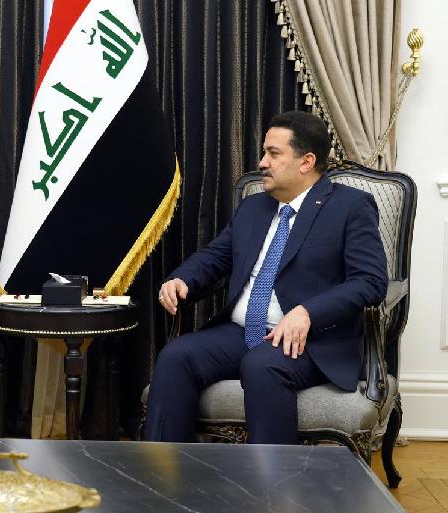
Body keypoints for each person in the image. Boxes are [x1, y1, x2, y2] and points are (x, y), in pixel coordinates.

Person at [145, 111, 388, 444]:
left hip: (309, 341)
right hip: (241, 332)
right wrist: (182, 279)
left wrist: (308, 312)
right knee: (176, 356)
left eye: (273, 153)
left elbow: (370, 281)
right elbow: (216, 256)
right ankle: (167, 470)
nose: (262, 163)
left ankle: (272, 477)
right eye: (264, 153)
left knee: (262, 365)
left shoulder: (351, 207)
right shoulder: (254, 207)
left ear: (306, 162)